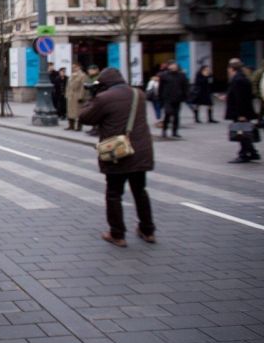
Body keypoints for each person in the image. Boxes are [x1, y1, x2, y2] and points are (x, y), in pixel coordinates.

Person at [78, 67, 156, 247]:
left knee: (114, 194)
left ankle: (117, 234)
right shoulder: (139, 94)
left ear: (104, 84)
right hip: (140, 151)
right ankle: (148, 230)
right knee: (140, 191)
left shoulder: (104, 98)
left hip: (117, 152)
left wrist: (93, 97)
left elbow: (85, 117)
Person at [223, 58, 261, 163]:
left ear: (231, 68)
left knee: (241, 133)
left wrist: (241, 114)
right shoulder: (241, 78)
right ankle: (252, 152)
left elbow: (241, 99)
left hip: (240, 112)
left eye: (228, 68)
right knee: (244, 132)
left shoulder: (238, 80)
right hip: (241, 111)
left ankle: (244, 154)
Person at [158, 61, 189, 139]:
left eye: (175, 65)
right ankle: (164, 131)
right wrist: (160, 97)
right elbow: (160, 87)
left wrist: (185, 96)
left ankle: (175, 132)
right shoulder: (164, 75)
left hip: (177, 98)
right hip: (167, 98)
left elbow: (185, 86)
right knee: (168, 113)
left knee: (176, 115)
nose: (174, 67)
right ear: (169, 66)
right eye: (172, 65)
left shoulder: (181, 76)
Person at [65, 64, 87, 130]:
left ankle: (79, 127)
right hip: (70, 96)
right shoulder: (71, 75)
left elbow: (83, 87)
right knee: (70, 111)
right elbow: (68, 86)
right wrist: (67, 94)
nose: (73, 68)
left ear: (79, 67)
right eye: (72, 67)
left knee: (78, 112)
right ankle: (71, 125)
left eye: (75, 67)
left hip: (77, 95)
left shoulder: (82, 75)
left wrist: (81, 96)